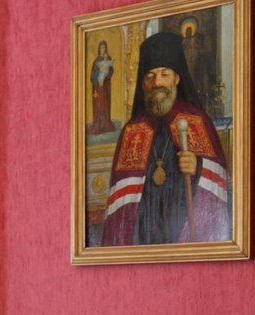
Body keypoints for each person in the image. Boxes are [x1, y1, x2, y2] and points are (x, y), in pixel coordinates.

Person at [99, 32, 231, 246]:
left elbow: (219, 179)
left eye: (164, 74)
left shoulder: (196, 120)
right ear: (143, 83)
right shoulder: (133, 129)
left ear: (176, 78)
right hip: (142, 234)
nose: (157, 82)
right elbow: (122, 200)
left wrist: (198, 165)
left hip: (183, 227)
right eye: (150, 76)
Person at [89, 40, 115, 135]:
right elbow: (92, 76)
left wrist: (107, 74)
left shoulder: (108, 58)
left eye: (104, 47)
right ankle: (98, 125)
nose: (102, 49)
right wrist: (99, 73)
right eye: (101, 47)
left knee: (105, 105)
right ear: (99, 49)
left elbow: (111, 71)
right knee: (99, 105)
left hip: (105, 87)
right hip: (98, 87)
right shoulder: (96, 61)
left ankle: (106, 124)